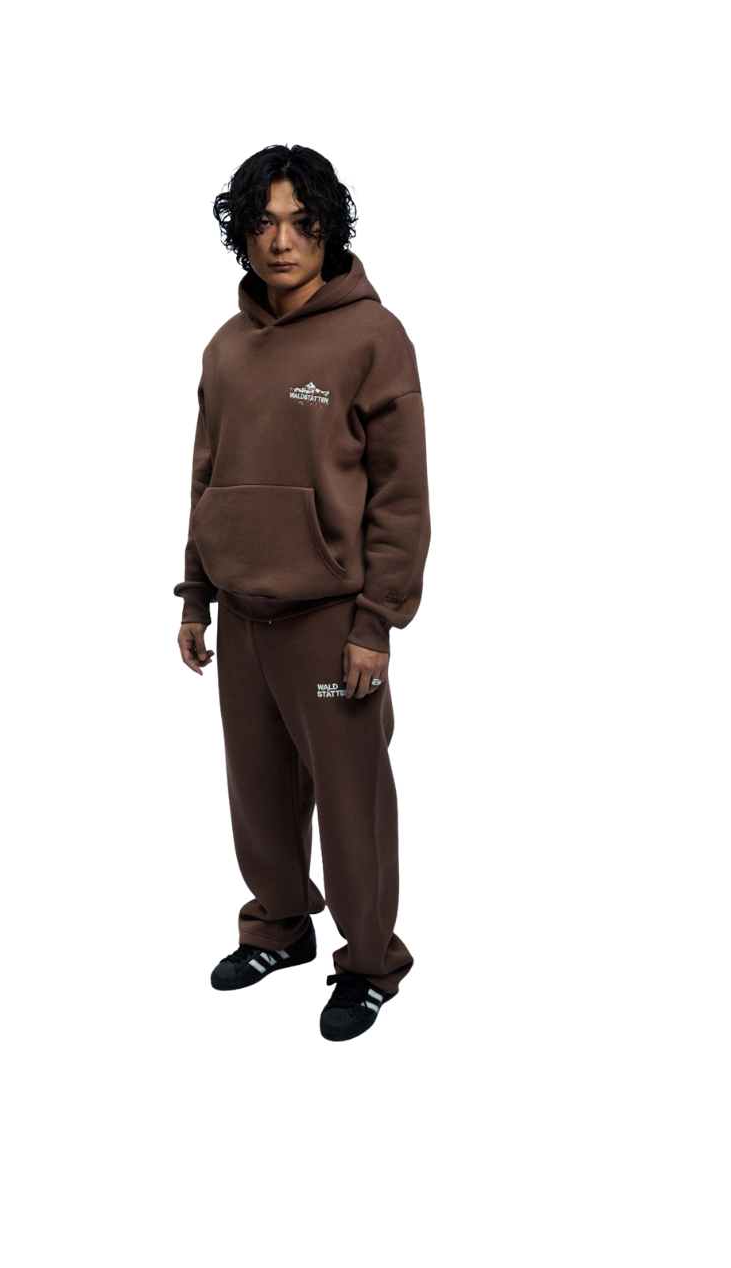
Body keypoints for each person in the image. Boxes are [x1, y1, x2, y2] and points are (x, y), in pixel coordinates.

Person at [174, 142, 431, 1040]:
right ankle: (278, 929)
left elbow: (402, 497)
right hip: (240, 614)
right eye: (264, 222)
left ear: (331, 230)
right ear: (241, 233)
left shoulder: (373, 336)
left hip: (332, 618)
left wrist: (376, 623)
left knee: (352, 804)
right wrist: (195, 599)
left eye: (302, 222)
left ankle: (370, 965)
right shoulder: (223, 348)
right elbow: (205, 481)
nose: (281, 241)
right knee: (257, 794)